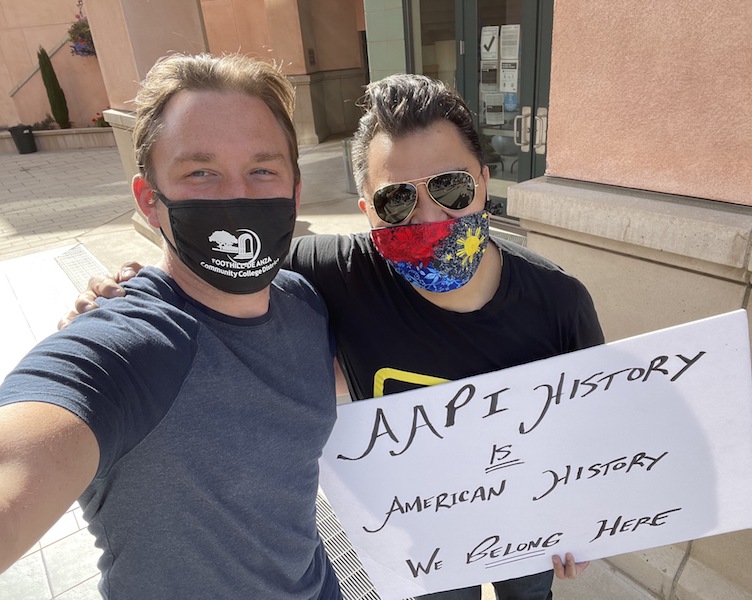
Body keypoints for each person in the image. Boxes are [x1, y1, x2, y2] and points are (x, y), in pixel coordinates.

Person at [64, 74, 603, 598]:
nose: (431, 215)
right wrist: (128, 290)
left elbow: (598, 428)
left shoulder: (560, 302)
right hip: (419, 536)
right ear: (366, 211)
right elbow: (215, 272)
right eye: (397, 201)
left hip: (527, 521)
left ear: (484, 182)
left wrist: (585, 515)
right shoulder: (333, 272)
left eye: (452, 186)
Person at [0, 53, 342, 600]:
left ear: (295, 190)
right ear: (149, 200)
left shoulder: (303, 303)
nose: (239, 197)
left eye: (262, 170)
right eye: (200, 172)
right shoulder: (128, 347)